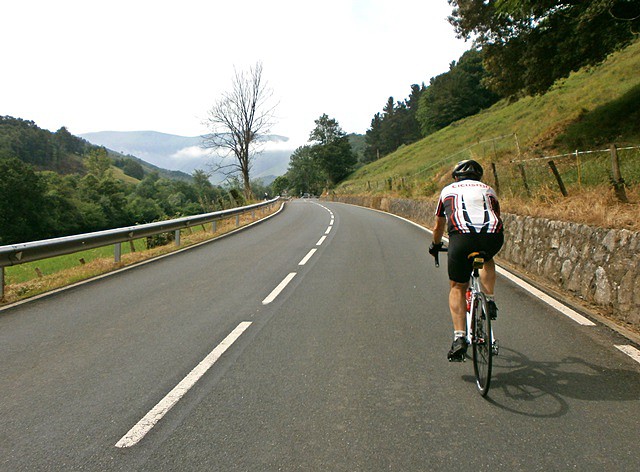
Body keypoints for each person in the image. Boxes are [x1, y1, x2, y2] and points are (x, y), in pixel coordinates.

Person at [428, 159, 504, 362]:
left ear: (456, 177)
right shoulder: (489, 189)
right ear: (479, 177)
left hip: (462, 238)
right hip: (492, 236)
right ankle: (489, 300)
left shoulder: (448, 190)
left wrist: (435, 245)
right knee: (486, 259)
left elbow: (439, 225)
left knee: (457, 287)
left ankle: (459, 338)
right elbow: (495, 214)